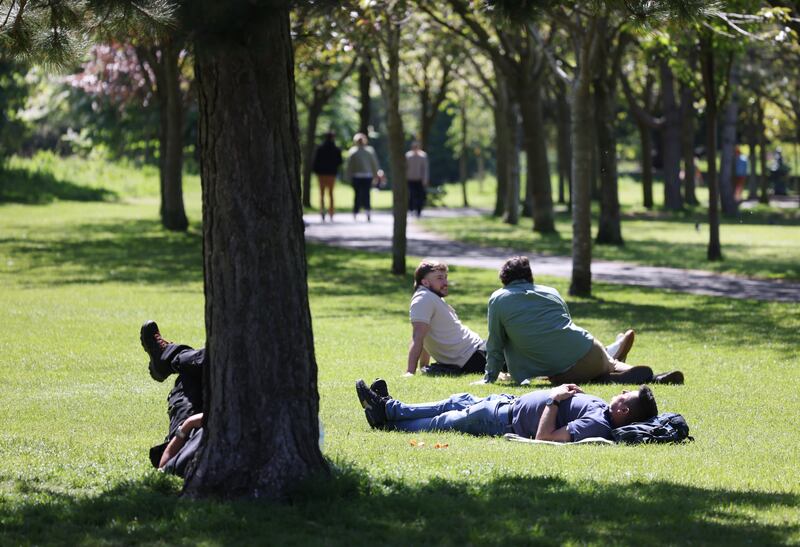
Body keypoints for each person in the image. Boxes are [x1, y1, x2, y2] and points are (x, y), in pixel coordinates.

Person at [406, 260, 635, 378]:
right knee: (533, 351)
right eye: (439, 278)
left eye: (445, 277)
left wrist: (424, 366)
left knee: (531, 350)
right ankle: (606, 353)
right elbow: (418, 338)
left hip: (474, 352)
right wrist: (411, 371)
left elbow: (424, 337)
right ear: (425, 282)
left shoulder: (428, 299)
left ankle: (603, 354)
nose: (445, 282)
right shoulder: (424, 300)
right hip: (475, 355)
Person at [480, 256, 684, 386]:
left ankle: (615, 377)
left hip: (562, 369)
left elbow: (495, 343)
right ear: (530, 276)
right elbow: (565, 324)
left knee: (561, 378)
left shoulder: (498, 298)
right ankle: (652, 377)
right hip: (589, 347)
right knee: (608, 363)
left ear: (504, 279)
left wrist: (489, 377)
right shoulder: (551, 292)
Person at [355, 378, 658, 443]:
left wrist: (553, 399)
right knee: (451, 401)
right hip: (506, 401)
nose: (619, 394)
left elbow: (546, 437)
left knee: (443, 421)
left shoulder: (597, 424)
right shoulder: (602, 408)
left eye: (624, 397)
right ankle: (390, 408)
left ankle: (386, 422)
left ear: (625, 414)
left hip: (501, 420)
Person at [140, 320, 206, 476]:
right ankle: (170, 358)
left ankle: (170, 357)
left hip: (187, 433)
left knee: (190, 375)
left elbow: (163, 469)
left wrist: (187, 426)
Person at [345, 132, 380, 221]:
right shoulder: (368, 151)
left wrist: (348, 176)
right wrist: (376, 175)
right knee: (366, 194)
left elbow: (349, 166)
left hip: (358, 176)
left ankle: (356, 212)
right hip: (366, 176)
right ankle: (366, 211)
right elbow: (374, 164)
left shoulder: (354, 151)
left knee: (358, 195)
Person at [312, 131, 343, 222]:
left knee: (321, 193)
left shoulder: (320, 148)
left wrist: (316, 171)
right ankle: (331, 212)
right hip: (331, 174)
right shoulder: (336, 149)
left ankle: (322, 211)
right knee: (331, 193)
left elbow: (315, 161)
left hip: (321, 174)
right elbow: (340, 161)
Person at [405, 141, 429, 217]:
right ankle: (411, 209)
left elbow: (425, 169)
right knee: (411, 195)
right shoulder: (408, 156)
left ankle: (419, 211)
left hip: (419, 179)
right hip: (410, 179)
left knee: (420, 196)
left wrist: (425, 179)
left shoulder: (423, 156)